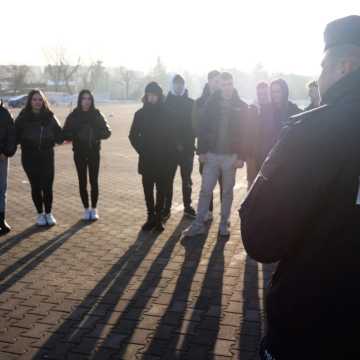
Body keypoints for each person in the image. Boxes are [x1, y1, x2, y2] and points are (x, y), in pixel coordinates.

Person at [240, 15, 360, 359]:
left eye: (322, 67)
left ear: (344, 66)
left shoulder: (313, 131)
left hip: (313, 322)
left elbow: (261, 238)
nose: (318, 78)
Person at [184, 72, 248, 237]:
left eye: (229, 84)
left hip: (230, 158)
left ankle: (223, 224)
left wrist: (241, 157)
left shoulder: (241, 105)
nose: (227, 87)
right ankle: (198, 224)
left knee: (227, 193)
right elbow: (202, 128)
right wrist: (201, 151)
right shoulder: (211, 104)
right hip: (211, 156)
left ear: (233, 84)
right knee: (205, 191)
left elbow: (246, 133)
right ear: (221, 86)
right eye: (224, 84)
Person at [129, 82, 176, 232]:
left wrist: (168, 153)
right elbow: (133, 136)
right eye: (149, 95)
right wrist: (142, 150)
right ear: (146, 96)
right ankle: (150, 217)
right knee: (148, 190)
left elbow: (172, 137)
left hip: (163, 160)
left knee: (161, 191)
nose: (151, 98)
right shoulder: (140, 114)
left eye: (154, 95)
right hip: (147, 159)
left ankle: (158, 219)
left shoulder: (168, 113)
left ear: (159, 96)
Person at [15, 90, 62, 226]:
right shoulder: (23, 117)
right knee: (36, 186)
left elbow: (60, 135)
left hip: (47, 155)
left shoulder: (50, 117)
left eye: (40, 100)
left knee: (47, 186)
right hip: (29, 157)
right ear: (30, 101)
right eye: (34, 99)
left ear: (44, 101)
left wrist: (71, 133)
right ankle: (40, 214)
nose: (37, 102)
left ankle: (49, 213)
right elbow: (14, 135)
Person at [62, 90, 111, 221]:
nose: (86, 101)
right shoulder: (74, 115)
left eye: (89, 98)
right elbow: (64, 132)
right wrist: (76, 135)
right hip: (79, 153)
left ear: (92, 100)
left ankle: (94, 208)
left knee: (94, 181)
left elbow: (107, 132)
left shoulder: (97, 114)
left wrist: (94, 133)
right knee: (82, 181)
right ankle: (86, 209)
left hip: (94, 152)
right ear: (80, 100)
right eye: (84, 98)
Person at [164, 74, 196, 219]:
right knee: (167, 180)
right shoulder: (165, 102)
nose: (178, 86)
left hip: (187, 149)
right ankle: (166, 208)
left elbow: (194, 126)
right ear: (173, 85)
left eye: (181, 83)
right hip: (169, 150)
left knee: (187, 180)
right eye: (176, 83)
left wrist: (188, 142)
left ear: (184, 85)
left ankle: (187, 207)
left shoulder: (191, 103)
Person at [192, 70, 222, 221]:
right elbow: (196, 125)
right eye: (215, 81)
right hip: (206, 149)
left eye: (219, 81)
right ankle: (208, 211)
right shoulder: (199, 102)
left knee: (224, 185)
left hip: (223, 150)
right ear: (209, 81)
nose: (218, 84)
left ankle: (225, 216)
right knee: (207, 183)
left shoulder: (225, 100)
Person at [0, 101, 16, 235]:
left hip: (2, 158)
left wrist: (6, 152)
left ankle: (1, 220)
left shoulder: (5, 114)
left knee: (1, 189)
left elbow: (12, 135)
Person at [253, 81, 274, 171]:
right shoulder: (253, 109)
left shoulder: (275, 108)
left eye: (264, 93)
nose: (262, 96)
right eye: (259, 94)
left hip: (272, 154)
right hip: (256, 155)